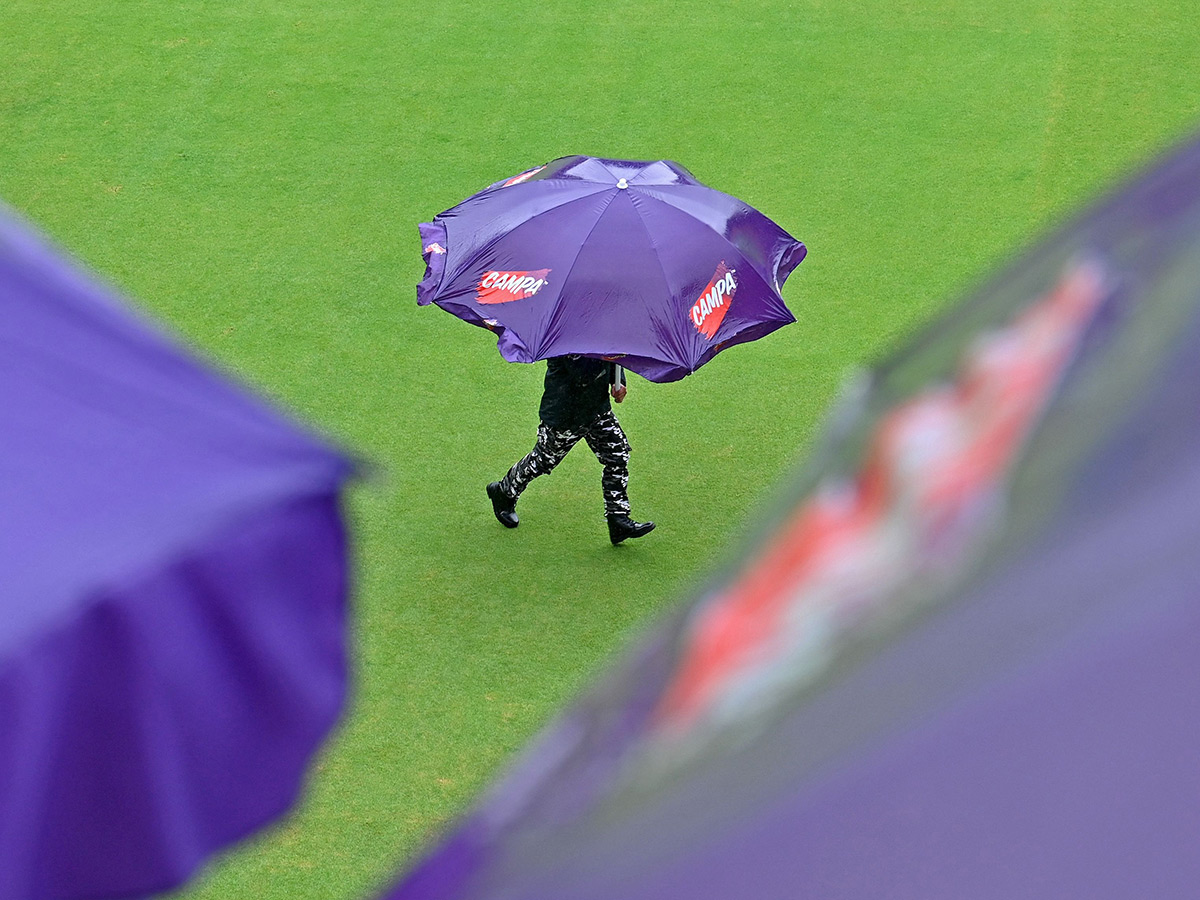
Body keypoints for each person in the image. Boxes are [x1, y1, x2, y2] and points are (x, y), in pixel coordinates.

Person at [487, 355, 655, 544]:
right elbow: (584, 374)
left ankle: (618, 519)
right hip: (565, 414)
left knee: (617, 455)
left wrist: (618, 380)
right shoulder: (568, 342)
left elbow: (611, 352)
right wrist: (609, 356)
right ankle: (503, 491)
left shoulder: (600, 337)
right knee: (544, 460)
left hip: (596, 409)